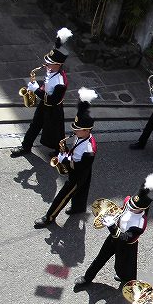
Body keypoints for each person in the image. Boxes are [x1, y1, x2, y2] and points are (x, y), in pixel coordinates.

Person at [74, 174, 153, 288]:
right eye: (130, 204)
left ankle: (127, 279)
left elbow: (125, 237)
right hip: (113, 237)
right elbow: (121, 210)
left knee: (123, 265)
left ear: (143, 209)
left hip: (126, 245)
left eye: (133, 207)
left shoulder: (140, 224)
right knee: (100, 258)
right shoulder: (129, 202)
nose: (130, 207)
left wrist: (111, 226)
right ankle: (87, 277)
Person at [34, 88, 97, 228]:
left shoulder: (89, 150)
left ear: (87, 131)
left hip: (78, 172)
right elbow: (82, 111)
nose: (74, 131)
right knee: (83, 188)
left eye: (77, 129)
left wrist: (65, 159)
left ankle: (49, 217)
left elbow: (79, 167)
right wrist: (84, 100)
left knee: (63, 195)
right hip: (79, 163)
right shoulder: (82, 132)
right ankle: (79, 207)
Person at [11, 28, 72, 158]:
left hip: (54, 108)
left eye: (50, 63)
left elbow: (51, 100)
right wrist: (38, 87)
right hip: (44, 105)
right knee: (35, 125)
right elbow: (46, 85)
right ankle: (25, 146)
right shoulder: (51, 70)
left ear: (58, 64)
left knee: (56, 132)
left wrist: (35, 89)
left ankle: (60, 151)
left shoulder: (60, 82)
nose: (46, 65)